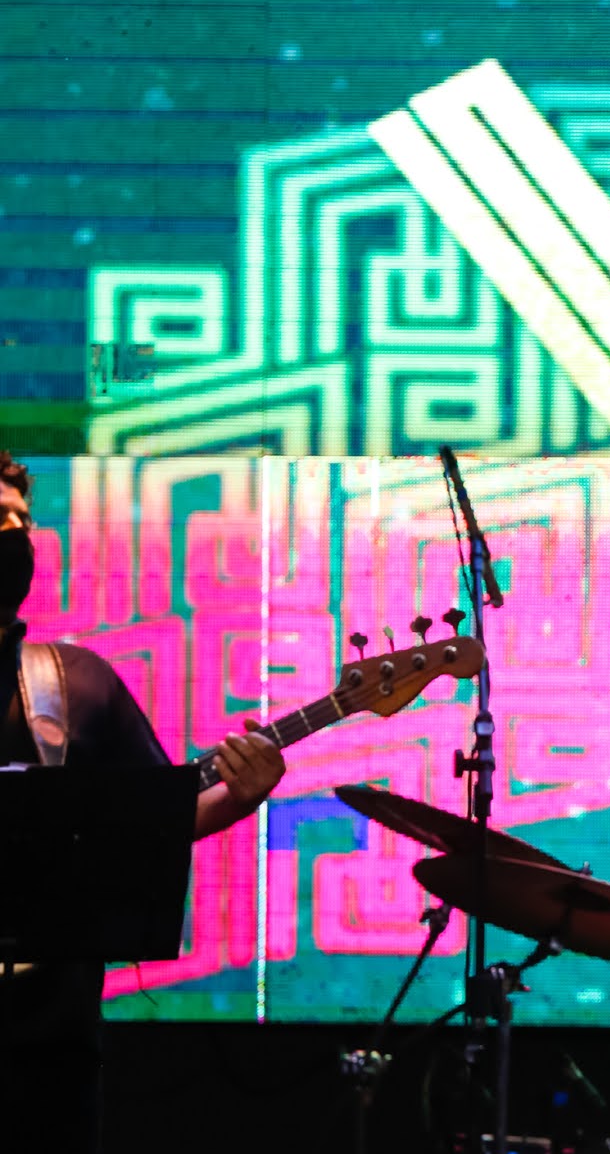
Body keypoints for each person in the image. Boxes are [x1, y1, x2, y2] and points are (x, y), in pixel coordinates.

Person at [0, 451, 286, 1153]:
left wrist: (239, 798)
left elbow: (154, 818)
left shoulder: (75, 684)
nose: (15, 536)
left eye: (22, 521)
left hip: (47, 1050)